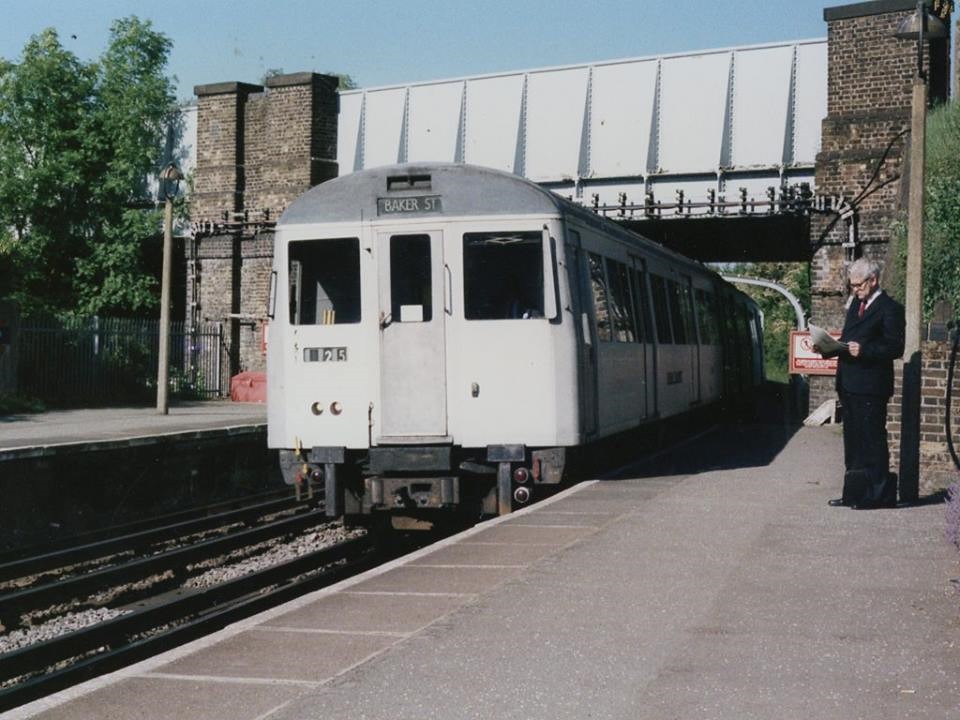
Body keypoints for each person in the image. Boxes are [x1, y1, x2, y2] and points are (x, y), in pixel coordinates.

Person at [816, 257, 905, 509]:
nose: (854, 290)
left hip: (871, 386)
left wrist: (864, 350)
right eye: (852, 285)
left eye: (858, 285)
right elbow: (847, 340)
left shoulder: (890, 308)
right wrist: (825, 348)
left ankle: (877, 496)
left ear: (873, 280)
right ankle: (854, 494)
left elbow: (895, 347)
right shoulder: (856, 304)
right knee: (853, 442)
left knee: (872, 439)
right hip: (849, 382)